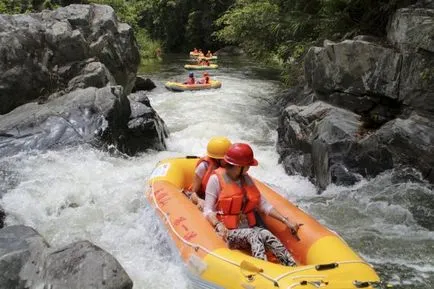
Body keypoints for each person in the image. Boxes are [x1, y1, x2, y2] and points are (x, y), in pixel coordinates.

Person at [203, 143, 300, 266]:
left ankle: (291, 266)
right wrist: (218, 225)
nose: (249, 168)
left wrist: (286, 221)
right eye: (248, 165)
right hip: (229, 232)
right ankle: (263, 268)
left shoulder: (246, 179)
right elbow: (208, 210)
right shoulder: (215, 180)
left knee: (266, 234)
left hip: (248, 227)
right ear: (239, 166)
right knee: (254, 234)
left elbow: (264, 205)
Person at [185, 137, 232, 209]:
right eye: (225, 158)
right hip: (204, 197)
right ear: (217, 159)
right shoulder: (203, 167)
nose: (229, 161)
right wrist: (199, 201)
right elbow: (193, 192)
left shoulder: (230, 167)